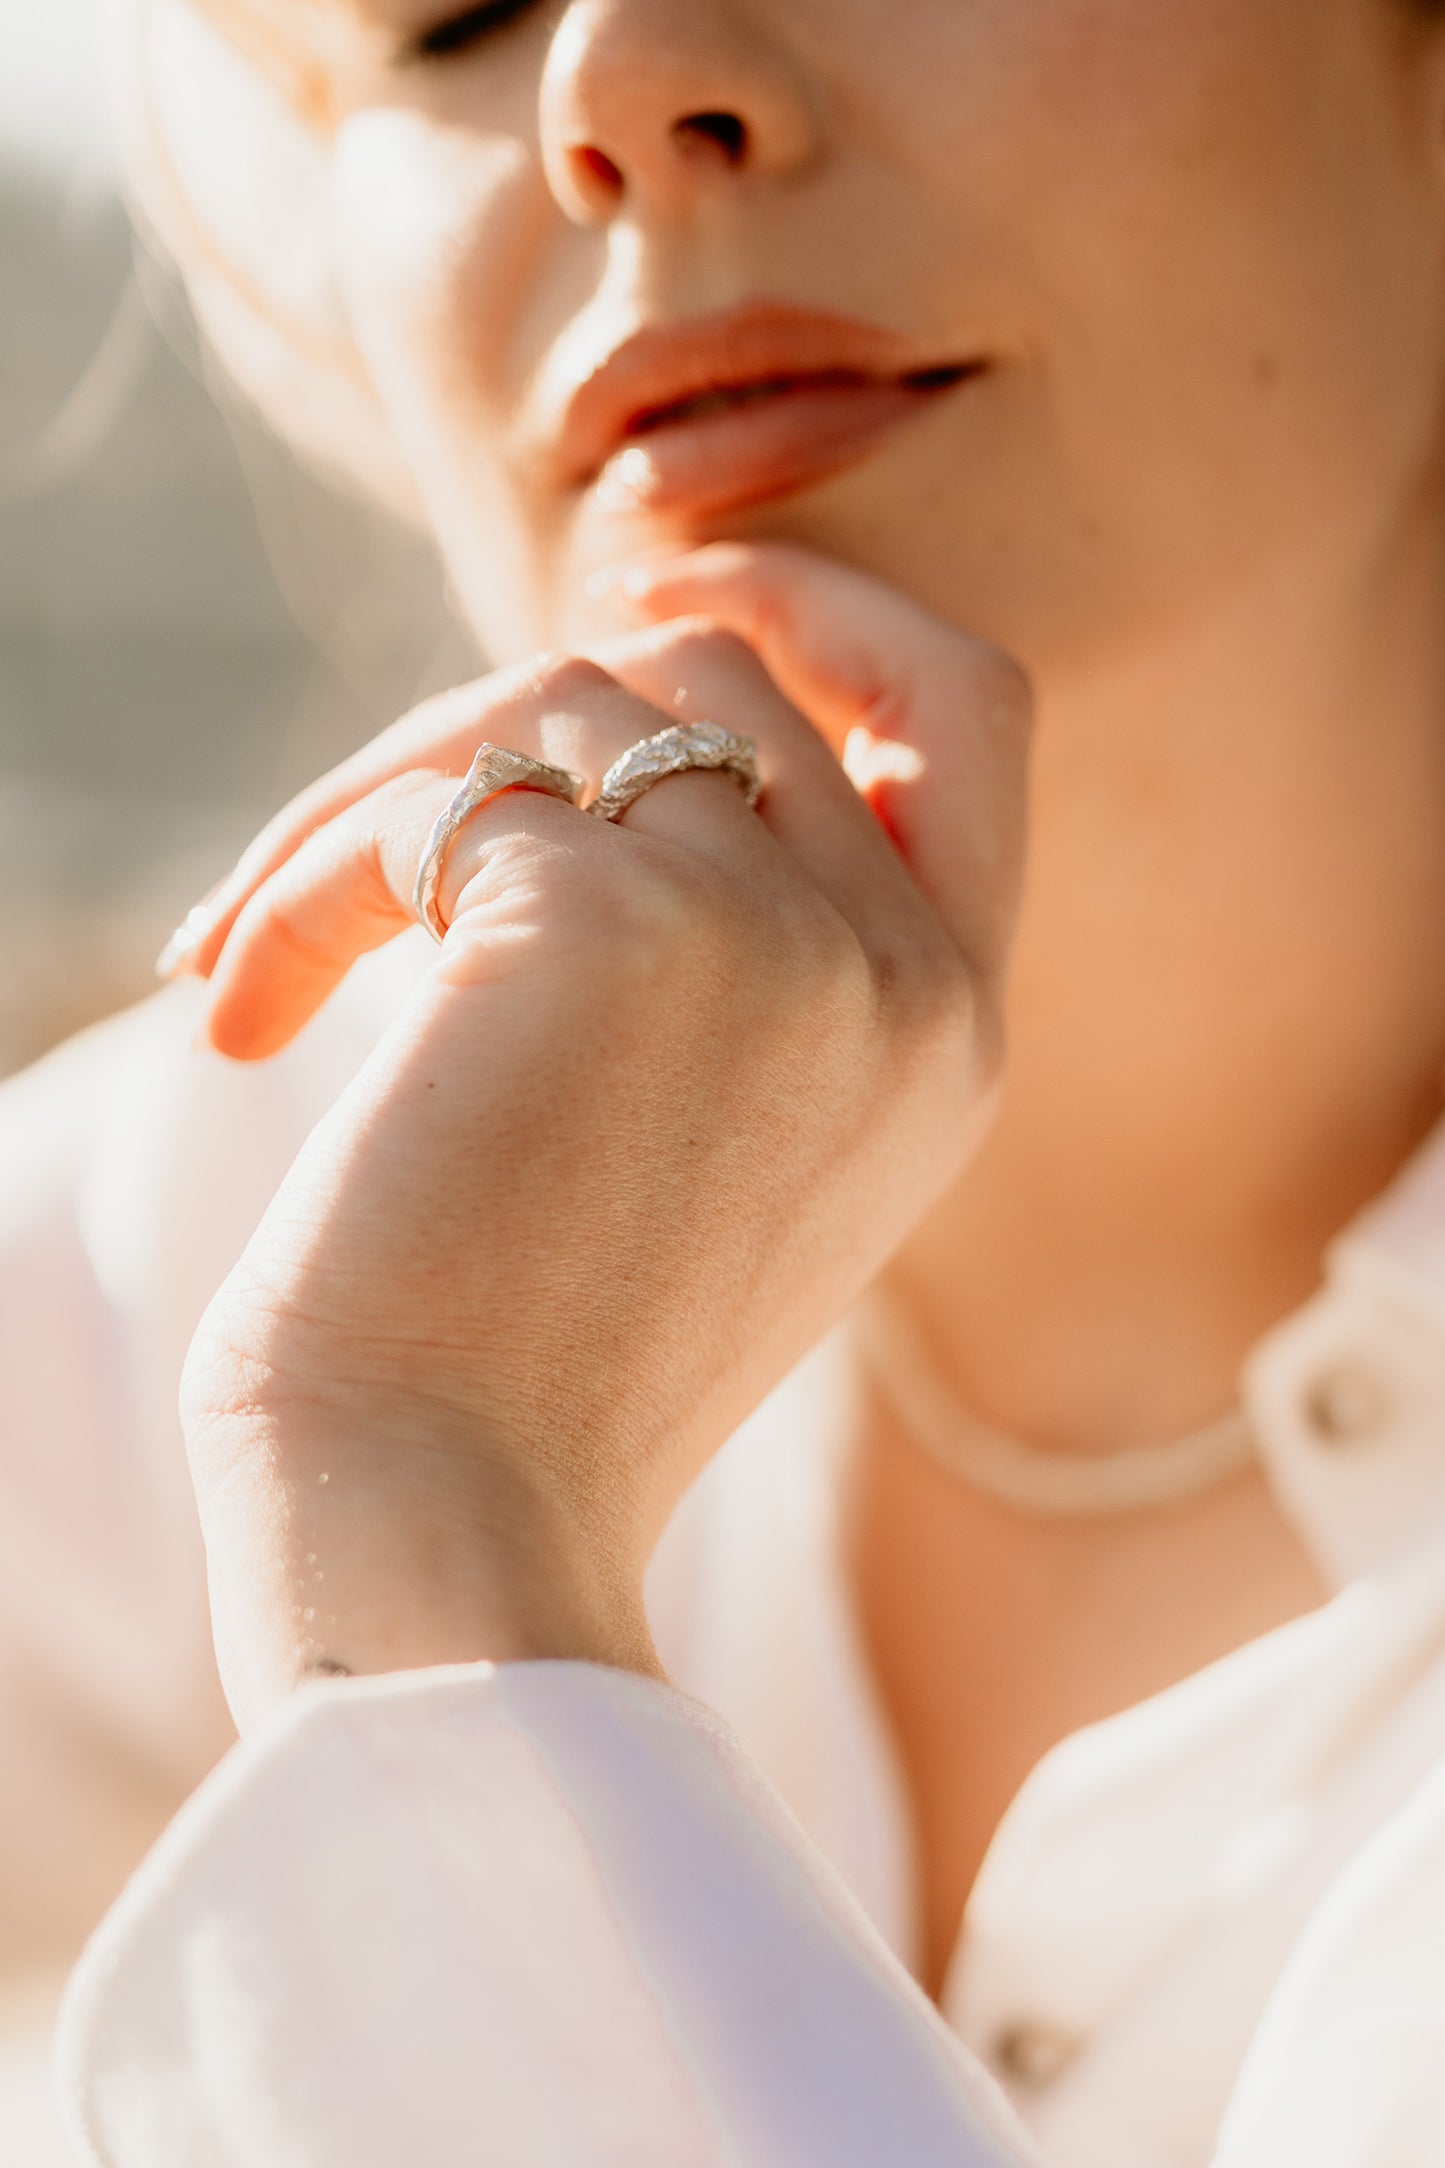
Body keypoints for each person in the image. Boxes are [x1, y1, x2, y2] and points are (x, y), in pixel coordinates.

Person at [9, 0, 1445, 2159]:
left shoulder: (359, 1379)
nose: (609, 82)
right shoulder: (138, 1296)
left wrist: (431, 1562)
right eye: (443, 10)